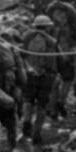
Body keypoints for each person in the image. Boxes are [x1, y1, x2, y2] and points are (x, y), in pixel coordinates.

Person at [21, 15, 59, 145]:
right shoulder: (51, 41)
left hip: (30, 72)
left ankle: (26, 121)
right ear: (47, 27)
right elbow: (53, 60)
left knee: (28, 100)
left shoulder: (27, 37)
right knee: (42, 106)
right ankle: (36, 134)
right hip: (46, 75)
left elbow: (22, 54)